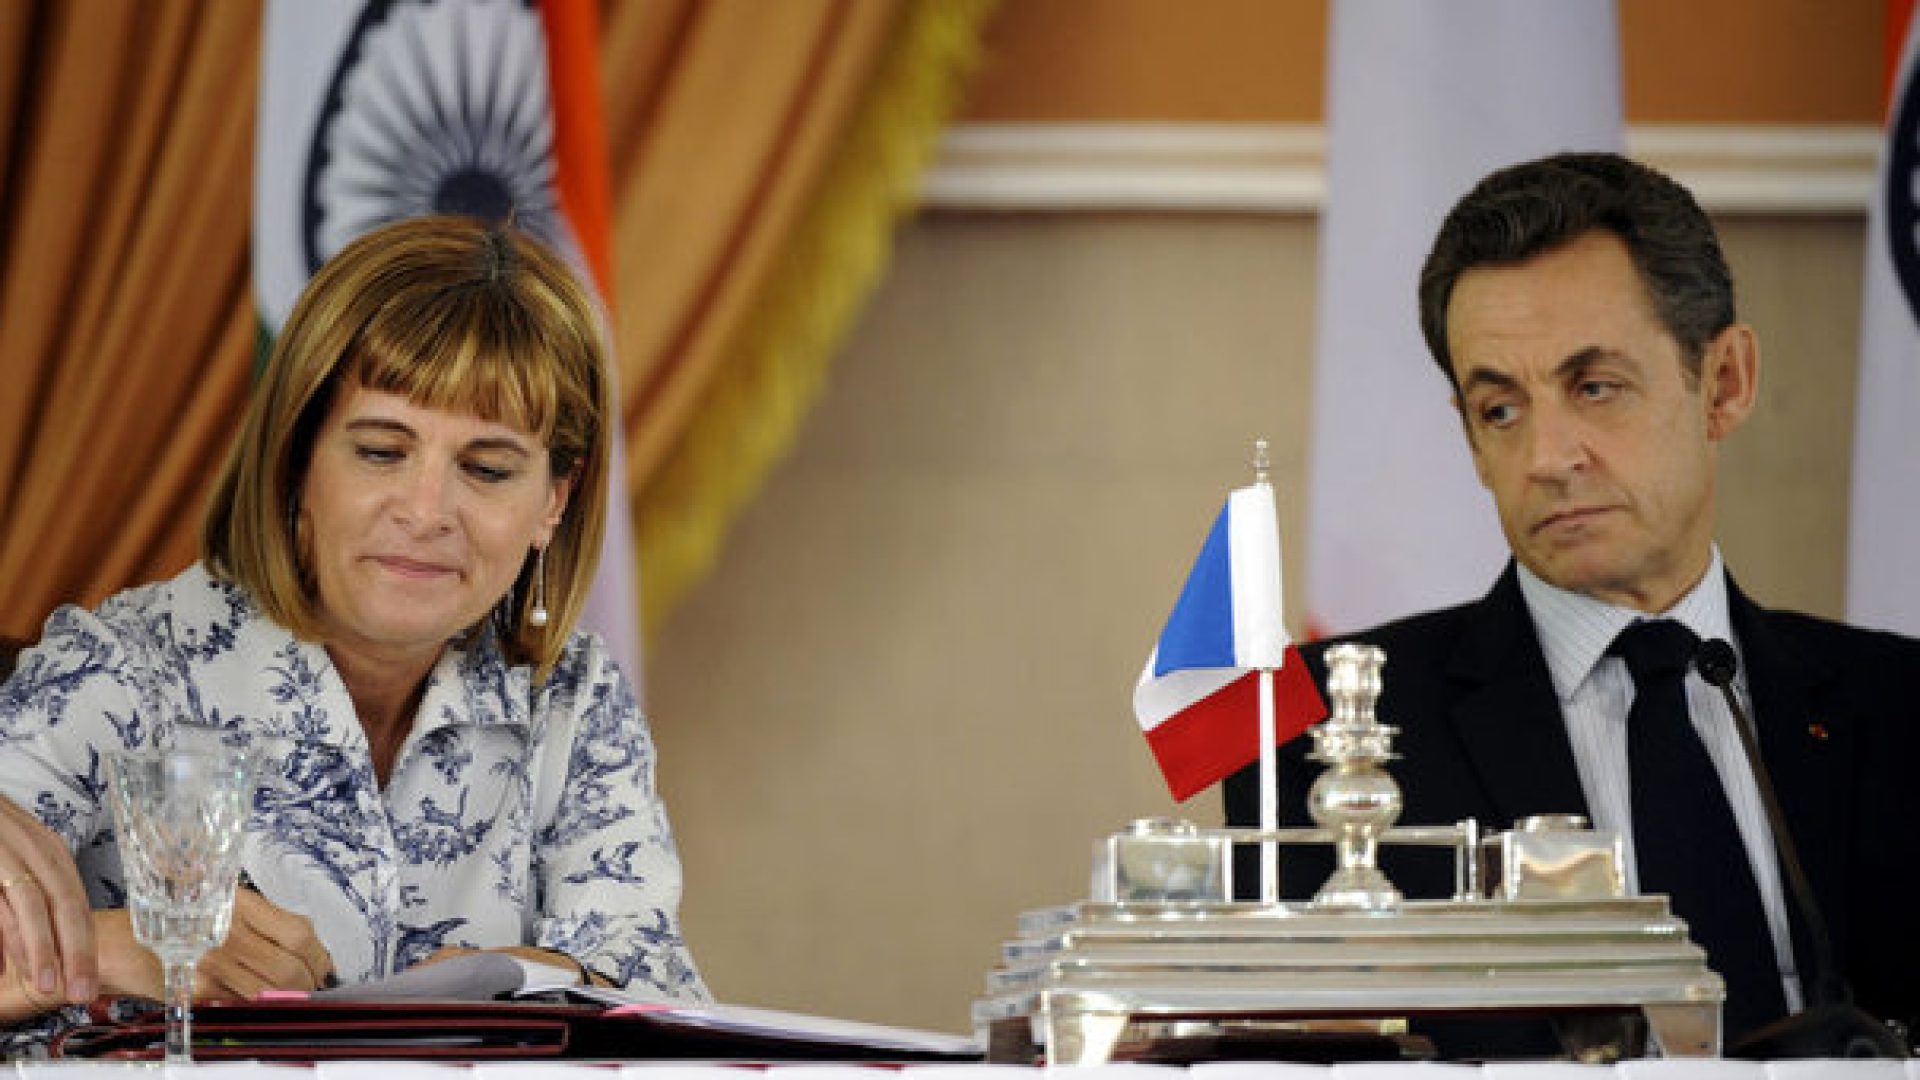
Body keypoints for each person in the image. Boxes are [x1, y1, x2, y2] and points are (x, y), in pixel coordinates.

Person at [1225, 152, 1920, 1050]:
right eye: (1501, 410)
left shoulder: (1899, 708)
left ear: (1725, 384)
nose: (1548, 455)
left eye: (1595, 387)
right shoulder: (1319, 737)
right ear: (1471, 440)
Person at [0, 215, 707, 1044]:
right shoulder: (127, 667)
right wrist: (120, 948)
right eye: (380, 451)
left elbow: (662, 1003)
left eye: (486, 469)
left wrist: (537, 983)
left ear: (554, 500)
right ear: (298, 459)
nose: (426, 512)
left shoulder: (573, 700)